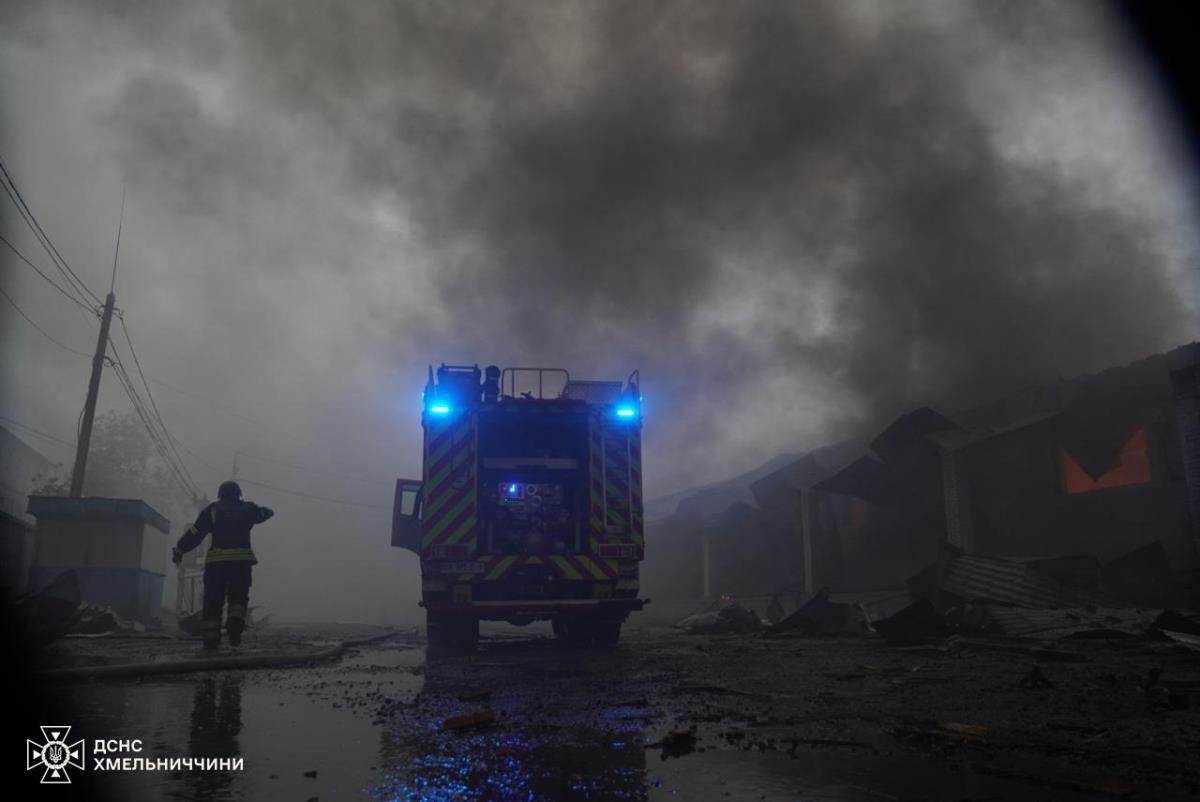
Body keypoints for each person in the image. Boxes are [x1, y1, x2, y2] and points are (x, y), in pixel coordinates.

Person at [173, 481, 273, 650]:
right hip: (241, 564)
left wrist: (180, 548)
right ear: (239, 494)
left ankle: (211, 640)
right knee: (238, 597)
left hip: (217, 564)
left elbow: (195, 533)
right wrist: (266, 511)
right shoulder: (248, 509)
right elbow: (265, 513)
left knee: (213, 600)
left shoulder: (212, 511)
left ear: (220, 495)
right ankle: (235, 625)